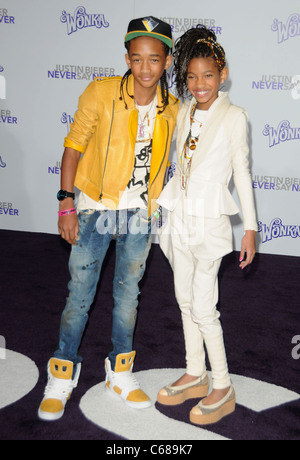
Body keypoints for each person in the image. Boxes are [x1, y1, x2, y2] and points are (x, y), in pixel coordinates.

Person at [38, 16, 179, 421]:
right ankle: (61, 374)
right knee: (79, 295)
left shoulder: (173, 107)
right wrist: (66, 204)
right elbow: (73, 147)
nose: (145, 68)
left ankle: (120, 372)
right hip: (96, 209)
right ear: (127, 59)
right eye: (137, 59)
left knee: (127, 297)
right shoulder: (100, 93)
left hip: (139, 213)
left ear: (167, 61)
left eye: (154, 59)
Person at [156, 25, 257, 425]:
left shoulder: (235, 117)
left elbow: (243, 173)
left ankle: (223, 383)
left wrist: (249, 227)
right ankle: (195, 372)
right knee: (184, 300)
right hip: (178, 217)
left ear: (223, 73)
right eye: (192, 76)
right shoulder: (182, 112)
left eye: (209, 76)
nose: (200, 84)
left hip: (210, 223)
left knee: (203, 305)